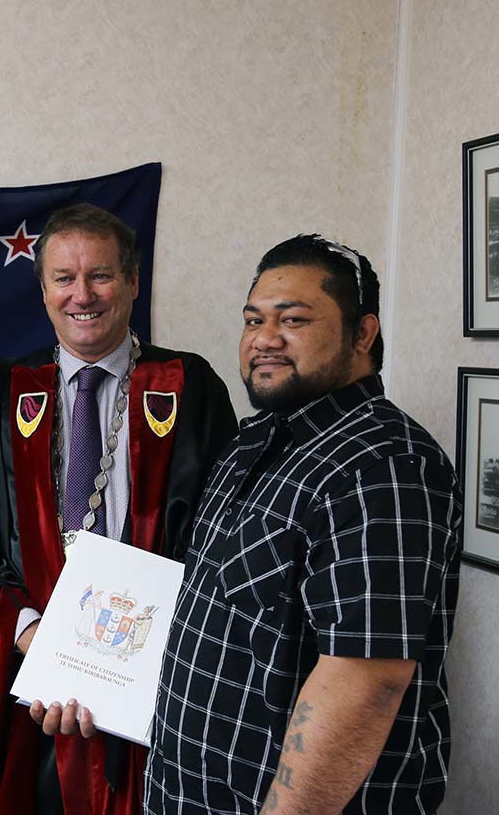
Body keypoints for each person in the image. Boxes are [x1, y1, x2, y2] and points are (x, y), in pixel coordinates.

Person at [144, 235, 462, 814]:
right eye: (253, 320)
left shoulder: (384, 465)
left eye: (293, 319)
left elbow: (365, 682)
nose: (264, 339)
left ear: (362, 334)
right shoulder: (252, 442)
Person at [0, 203, 237, 815]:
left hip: (150, 678)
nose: (82, 295)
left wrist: (149, 647)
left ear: (131, 281)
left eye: (99, 275)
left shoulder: (189, 385)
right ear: (43, 288)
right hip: (26, 677)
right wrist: (29, 632)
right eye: (63, 279)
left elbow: (221, 527)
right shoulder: (3, 390)